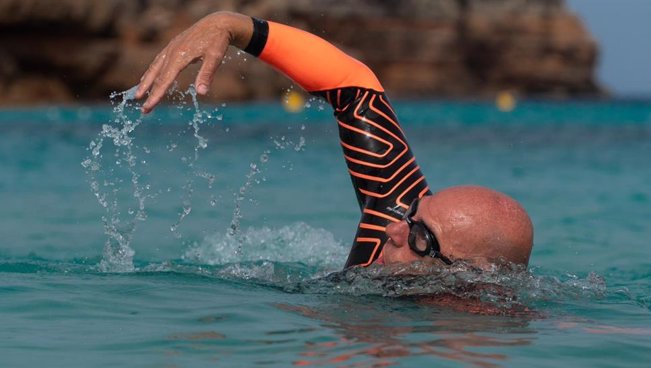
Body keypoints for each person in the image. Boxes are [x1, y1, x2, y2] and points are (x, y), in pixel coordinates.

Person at [135, 12, 533, 270]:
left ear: (469, 279)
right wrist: (231, 25)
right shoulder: (392, 225)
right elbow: (354, 86)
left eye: (420, 238)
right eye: (412, 212)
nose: (394, 231)